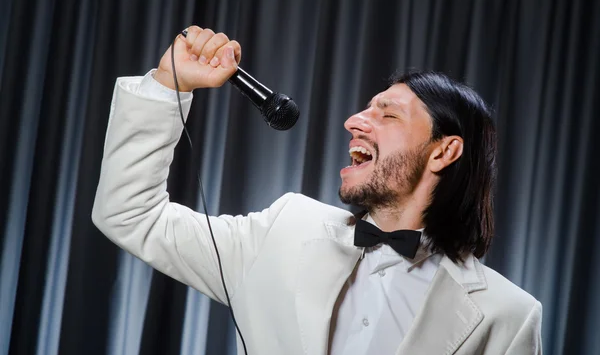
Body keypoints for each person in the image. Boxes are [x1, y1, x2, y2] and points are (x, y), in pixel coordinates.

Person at [92, 26, 542, 354]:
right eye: (364, 108)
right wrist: (167, 84)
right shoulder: (283, 230)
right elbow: (130, 215)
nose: (353, 121)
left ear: (444, 152)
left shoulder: (508, 315)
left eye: (387, 114)